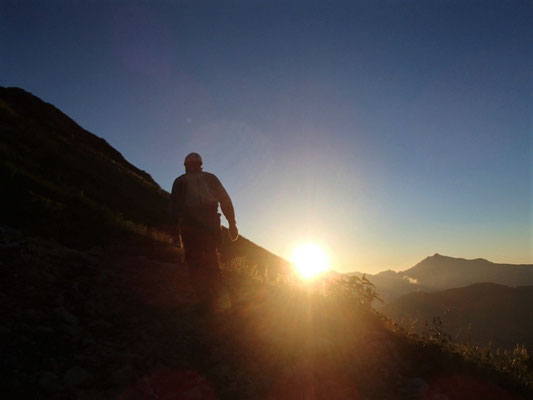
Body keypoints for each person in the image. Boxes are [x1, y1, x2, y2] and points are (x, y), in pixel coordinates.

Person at [170, 152, 238, 313]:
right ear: (201, 164)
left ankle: (206, 301)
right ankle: (216, 301)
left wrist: (175, 232)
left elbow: (174, 208)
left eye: (190, 165)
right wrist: (232, 223)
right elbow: (225, 200)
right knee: (210, 261)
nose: (191, 168)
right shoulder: (209, 178)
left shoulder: (180, 181)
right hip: (208, 224)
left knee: (196, 263)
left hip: (193, 225)